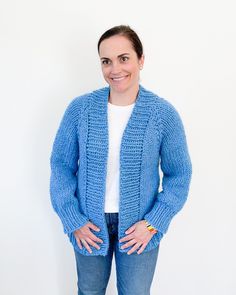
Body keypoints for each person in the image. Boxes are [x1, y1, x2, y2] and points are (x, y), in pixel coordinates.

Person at [49, 25, 192, 295]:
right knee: (89, 291)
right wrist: (72, 219)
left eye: (123, 58)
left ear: (141, 60)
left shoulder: (163, 114)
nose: (115, 69)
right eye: (106, 61)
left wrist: (154, 222)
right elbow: (61, 166)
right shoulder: (80, 110)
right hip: (88, 224)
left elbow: (180, 175)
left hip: (139, 228)